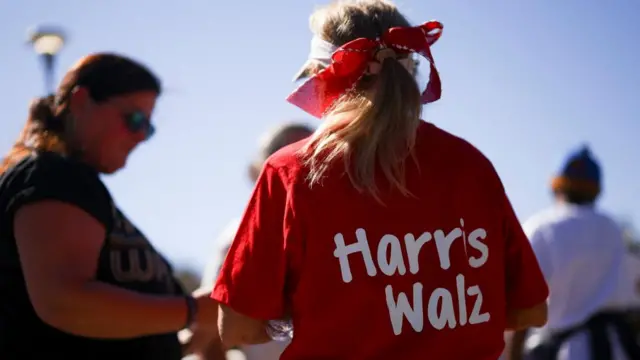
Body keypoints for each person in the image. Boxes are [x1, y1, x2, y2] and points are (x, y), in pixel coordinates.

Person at [210, 1, 549, 359]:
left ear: (324, 76)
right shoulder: (471, 166)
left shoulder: (293, 172)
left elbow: (236, 327)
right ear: (411, 70)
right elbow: (530, 309)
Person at [0, 53, 218, 359]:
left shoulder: (75, 186)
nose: (141, 137)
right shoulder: (53, 175)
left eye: (149, 128)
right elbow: (65, 301)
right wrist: (193, 310)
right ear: (80, 101)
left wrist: (198, 330)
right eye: (135, 120)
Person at [507, 146, 640, 360]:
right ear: (596, 189)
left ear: (557, 184)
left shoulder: (542, 228)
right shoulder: (613, 229)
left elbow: (523, 306)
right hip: (618, 349)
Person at [196, 123, 314, 360]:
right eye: (287, 152)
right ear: (263, 167)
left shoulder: (337, 232)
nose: (302, 164)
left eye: (313, 152)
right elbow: (212, 333)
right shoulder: (236, 239)